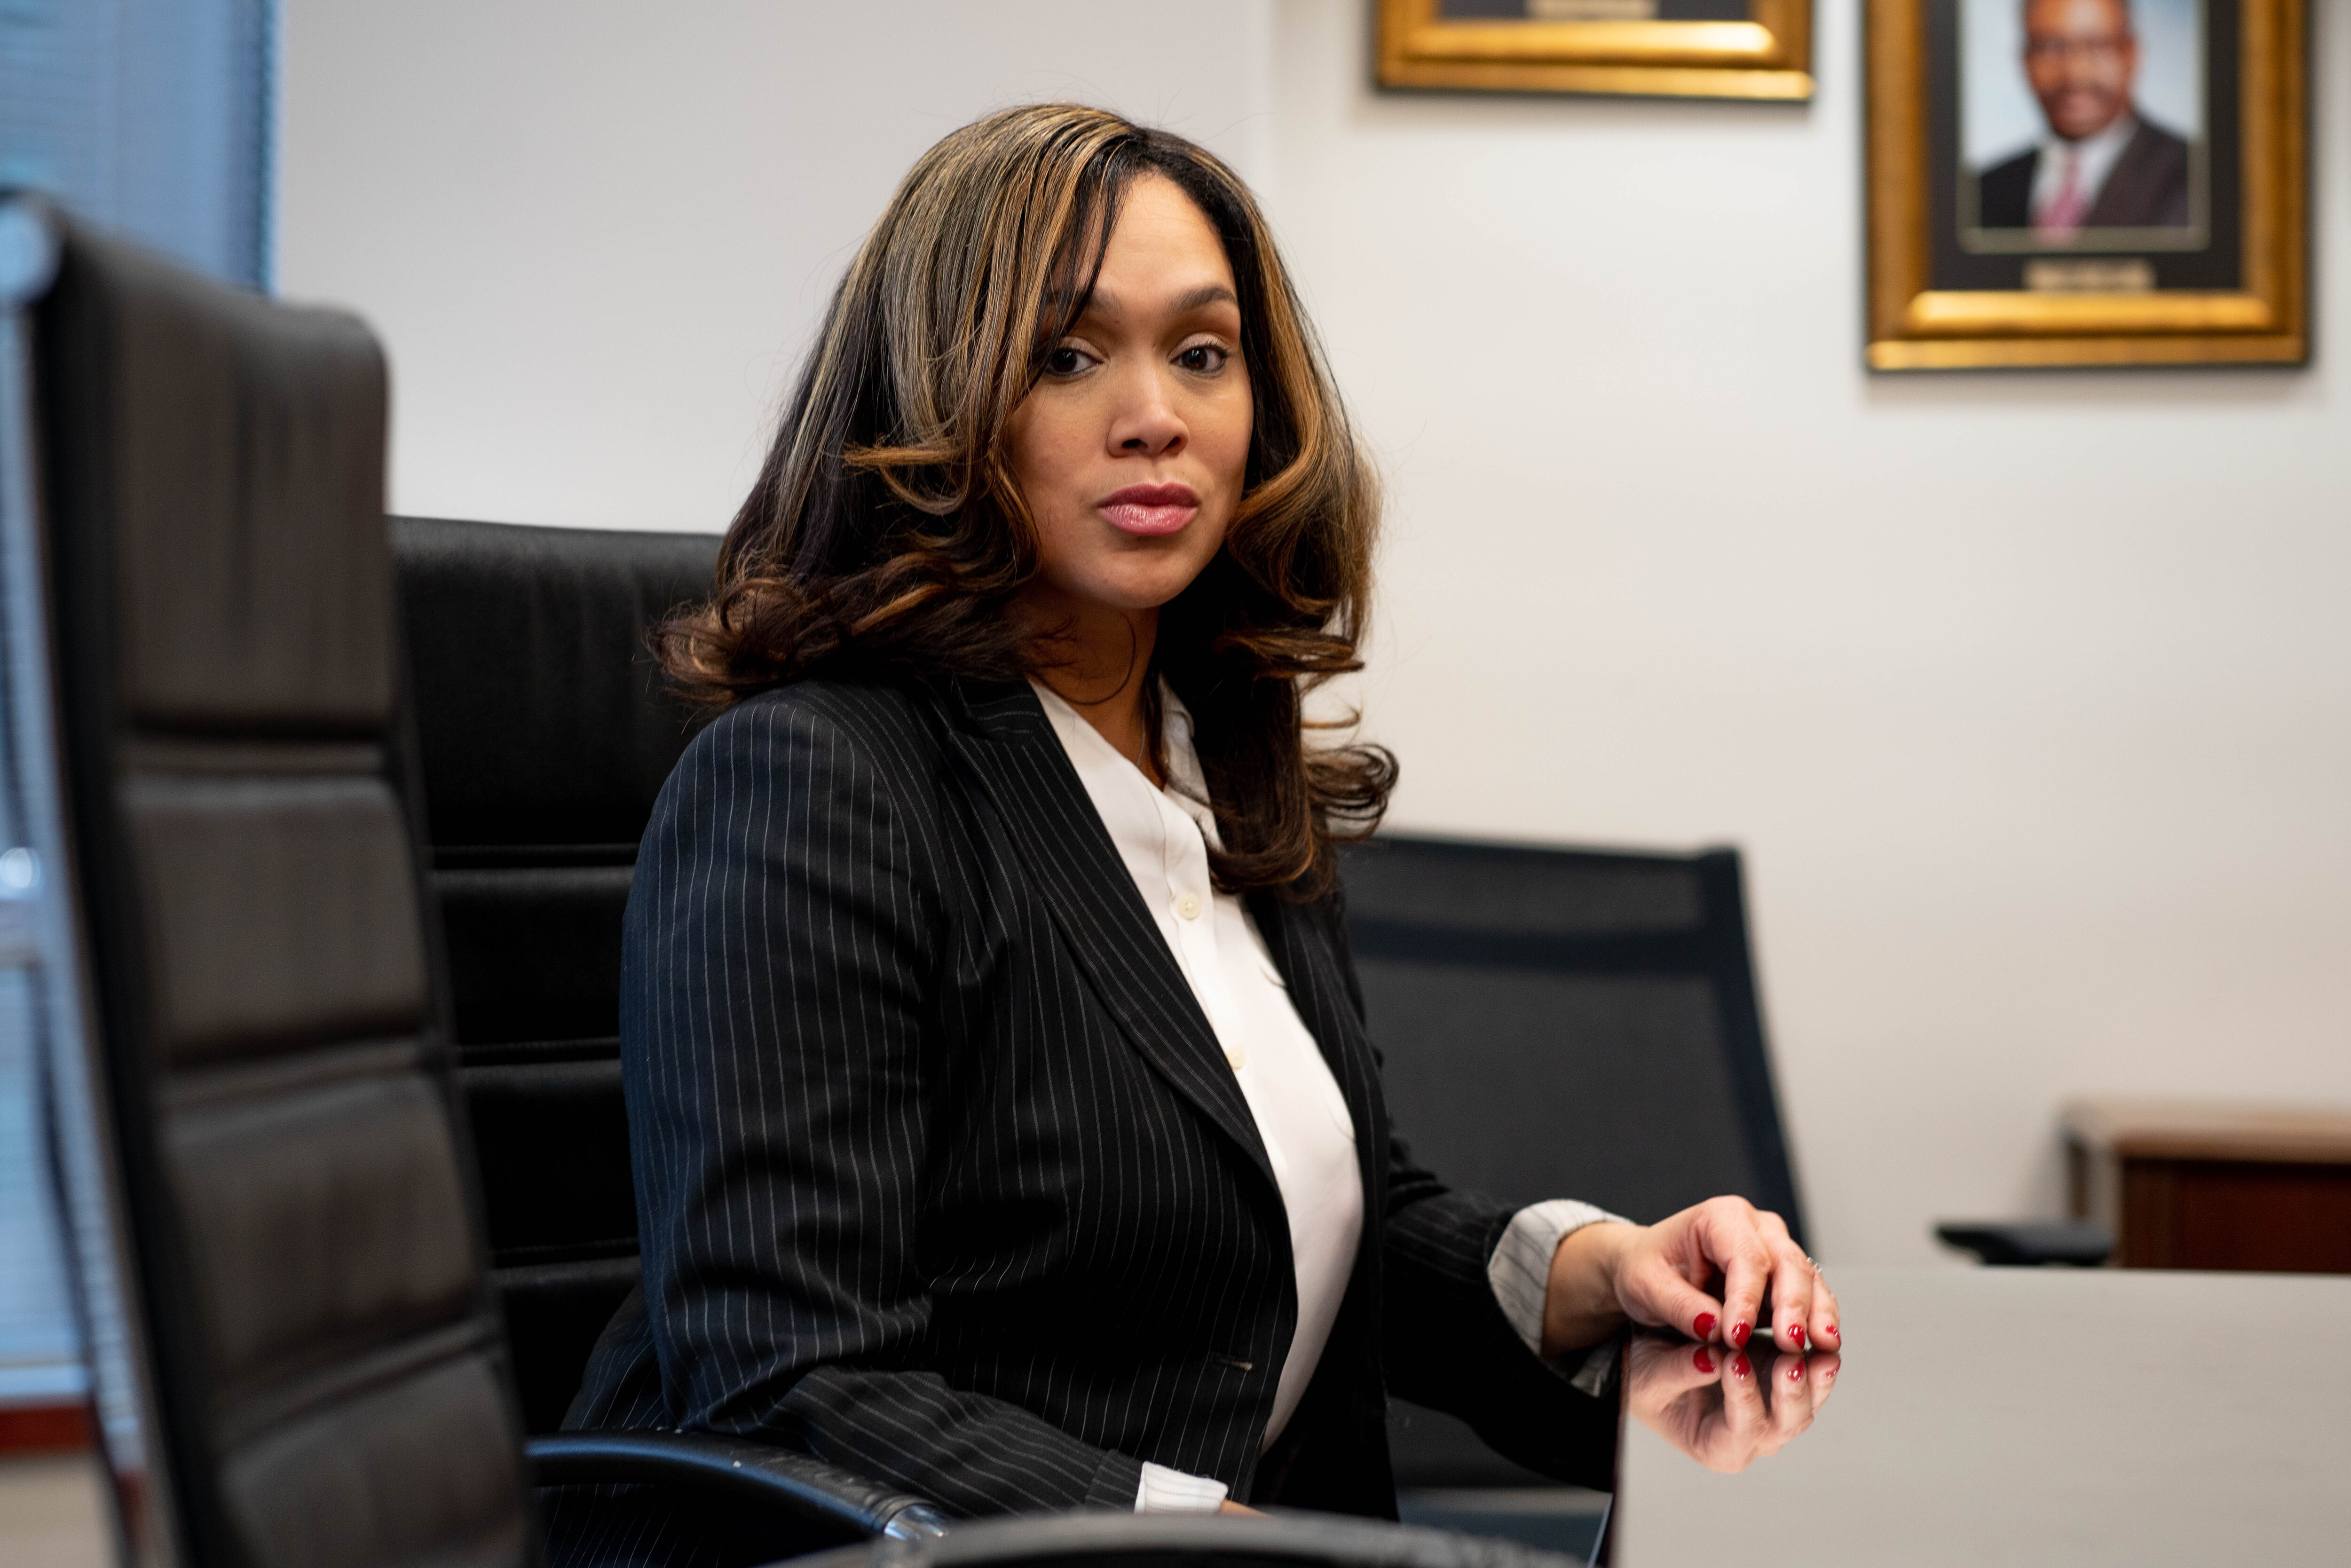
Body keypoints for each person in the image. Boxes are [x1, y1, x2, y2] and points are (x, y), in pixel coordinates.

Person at [553, 104, 1837, 1557]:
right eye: (1067, 354)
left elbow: (1305, 1221)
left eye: (1202, 352)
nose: (1153, 410)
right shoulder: (814, 783)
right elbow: (790, 1384)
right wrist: (1221, 1539)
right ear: (936, 399)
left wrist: (1601, 1267)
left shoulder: (1217, 749)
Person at [1974, 0, 2193, 236]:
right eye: (2051, 47)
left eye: (2098, 46)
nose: (2076, 74)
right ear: (2025, 60)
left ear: (2132, 54)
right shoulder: (1982, 192)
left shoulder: (2198, 179)